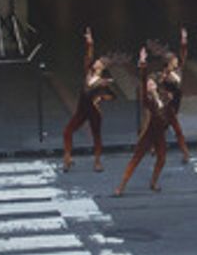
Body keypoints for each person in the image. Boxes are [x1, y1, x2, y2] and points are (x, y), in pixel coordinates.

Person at [115, 49, 171, 196]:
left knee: (162, 159)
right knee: (136, 158)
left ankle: (153, 182)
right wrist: (143, 65)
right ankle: (121, 186)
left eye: (152, 84)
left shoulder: (164, 97)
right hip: (149, 133)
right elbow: (143, 79)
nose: (149, 85)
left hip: (160, 134)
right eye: (148, 84)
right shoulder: (147, 100)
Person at [62, 28, 114, 173]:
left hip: (94, 111)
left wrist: (100, 98)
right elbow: (88, 56)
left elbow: (112, 96)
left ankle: (97, 161)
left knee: (96, 135)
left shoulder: (103, 82)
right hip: (82, 109)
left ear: (102, 67)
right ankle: (67, 157)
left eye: (98, 63)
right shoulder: (88, 72)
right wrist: (89, 42)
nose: (95, 63)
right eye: (96, 62)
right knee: (68, 131)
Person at [159, 28, 191, 164]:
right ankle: (185, 153)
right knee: (176, 128)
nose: (177, 61)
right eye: (174, 60)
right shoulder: (165, 74)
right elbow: (159, 86)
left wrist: (184, 41)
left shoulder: (179, 69)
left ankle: (154, 145)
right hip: (168, 104)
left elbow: (184, 54)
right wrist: (166, 94)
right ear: (169, 63)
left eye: (176, 59)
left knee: (164, 126)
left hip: (177, 102)